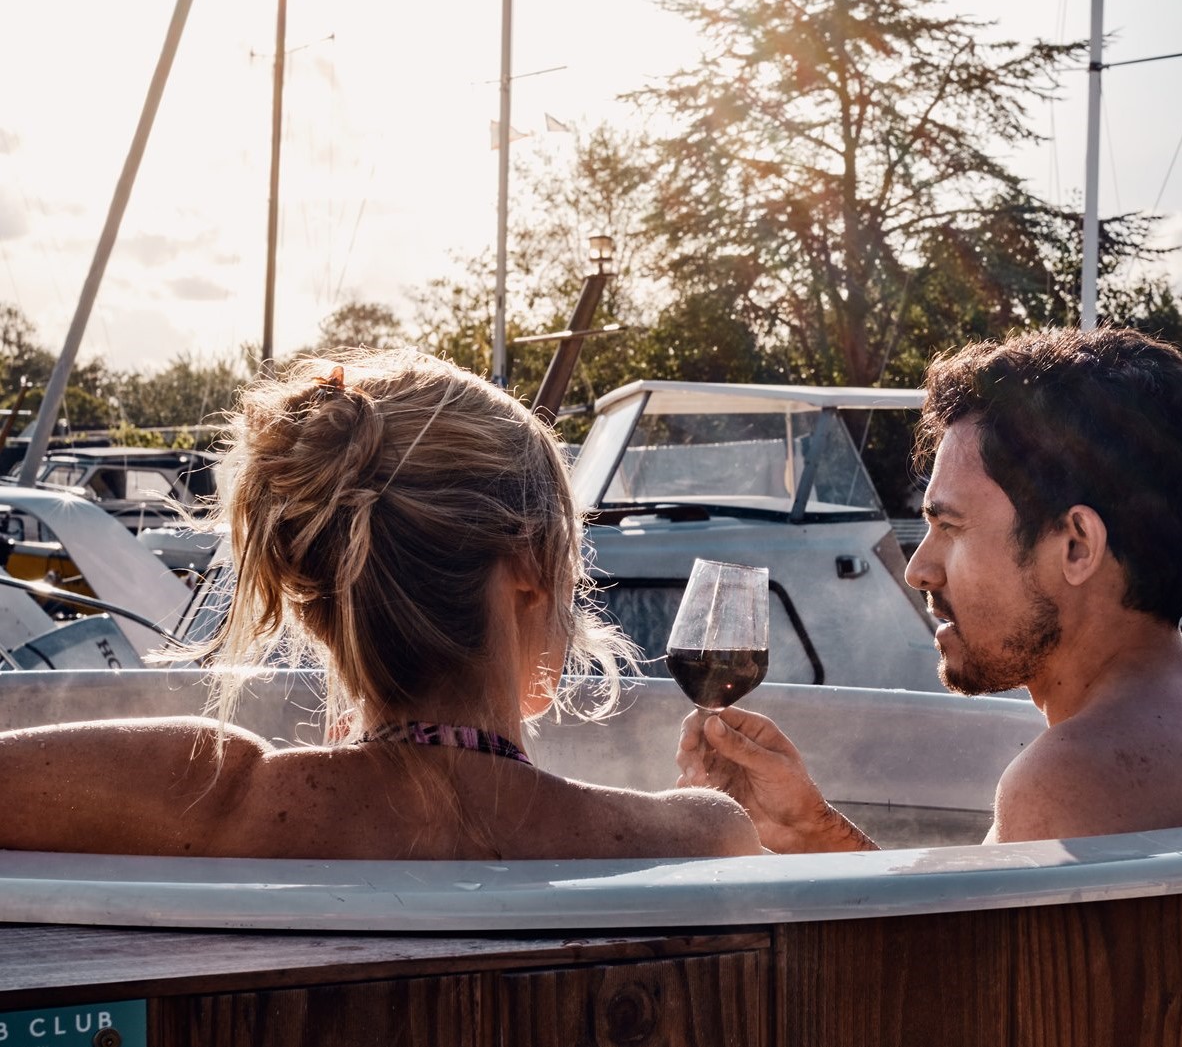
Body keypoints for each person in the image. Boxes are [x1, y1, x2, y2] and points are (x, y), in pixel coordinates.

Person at [0, 350, 760, 861]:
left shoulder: (213, 793)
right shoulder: (694, 834)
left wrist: (361, 755)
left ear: (317, 578)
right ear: (530, 563)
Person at [676, 327, 1182, 848]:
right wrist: (811, 828)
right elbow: (960, 948)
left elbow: (957, 1000)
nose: (919, 569)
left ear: (1076, 547)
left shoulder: (1067, 782)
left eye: (950, 528)